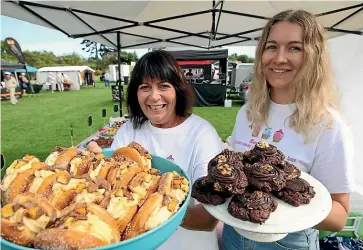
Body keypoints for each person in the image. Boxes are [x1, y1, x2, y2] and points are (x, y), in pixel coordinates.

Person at [222, 9, 354, 250]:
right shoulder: (247, 113)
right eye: (271, 46)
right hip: (235, 233)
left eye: (295, 48)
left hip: (288, 242)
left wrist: (281, 200)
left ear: (313, 56)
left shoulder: (328, 126)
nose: (279, 58)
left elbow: (339, 215)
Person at [88, 50, 222, 250]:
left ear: (178, 90)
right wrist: (94, 170)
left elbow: (208, 220)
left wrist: (152, 209)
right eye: (145, 87)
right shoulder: (129, 130)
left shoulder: (201, 134)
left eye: (164, 86)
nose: (154, 96)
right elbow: (109, 197)